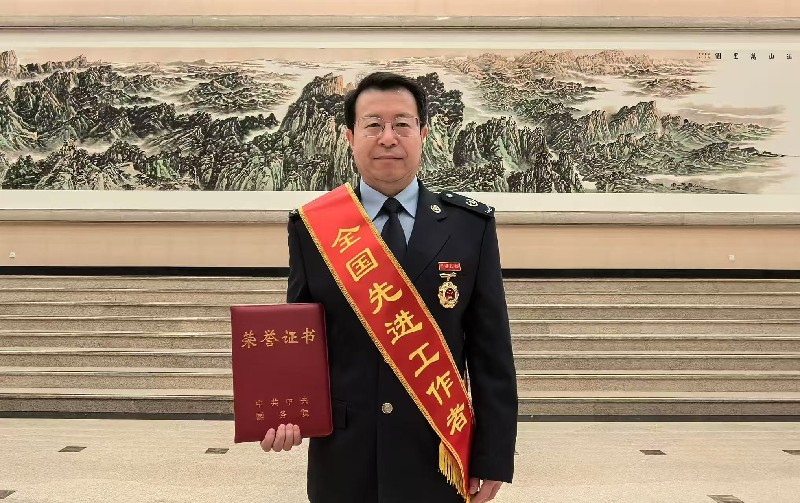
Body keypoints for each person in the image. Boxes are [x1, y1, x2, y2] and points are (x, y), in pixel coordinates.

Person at [262, 71, 518, 503]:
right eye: (373, 125)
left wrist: (492, 456)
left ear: (423, 134)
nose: (388, 137)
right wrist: (284, 409)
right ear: (349, 136)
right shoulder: (313, 227)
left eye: (402, 124)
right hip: (345, 455)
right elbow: (302, 336)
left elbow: (490, 350)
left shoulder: (468, 225)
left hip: (437, 449)